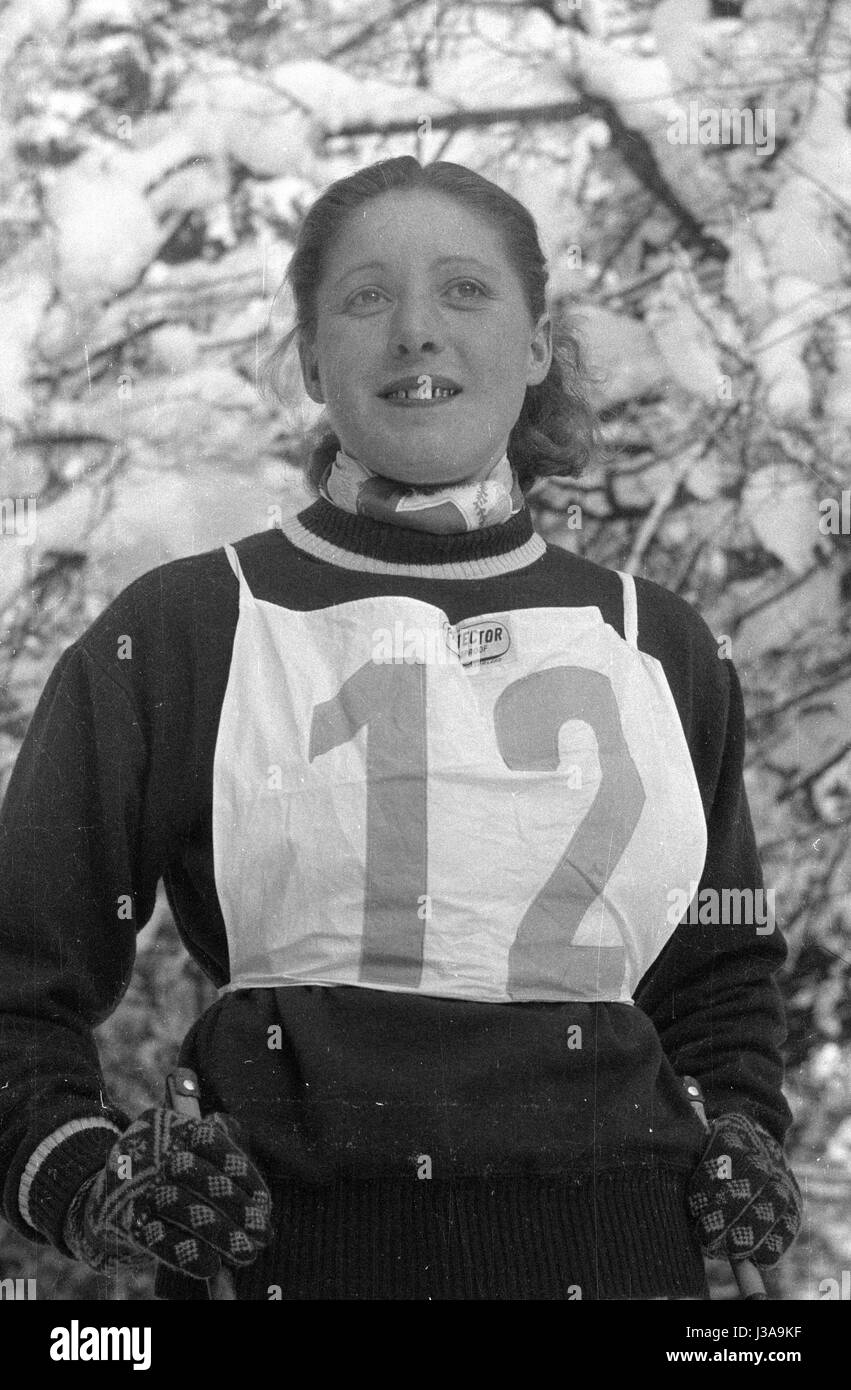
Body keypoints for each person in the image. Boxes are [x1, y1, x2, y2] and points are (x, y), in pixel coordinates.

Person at [0, 156, 802, 1301]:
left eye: (465, 291)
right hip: (295, 1263)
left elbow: (716, 975)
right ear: (313, 356)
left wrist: (740, 1128)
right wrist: (81, 1170)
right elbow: (17, 971)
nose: (417, 332)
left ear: (533, 346)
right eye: (367, 297)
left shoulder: (655, 641)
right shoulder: (187, 628)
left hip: (622, 1266)